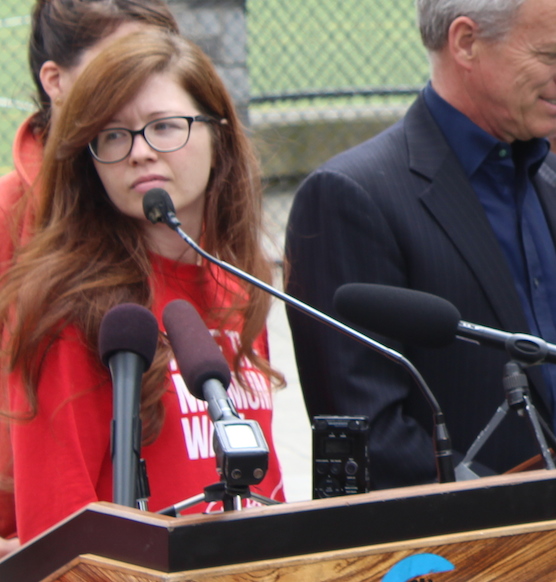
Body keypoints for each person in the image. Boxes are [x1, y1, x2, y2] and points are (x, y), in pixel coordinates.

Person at [0, 28, 286, 547]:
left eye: (164, 127)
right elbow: (58, 538)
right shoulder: (65, 308)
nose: (139, 152)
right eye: (113, 135)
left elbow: (265, 489)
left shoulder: (237, 285)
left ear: (218, 133)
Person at [285, 0, 556, 490]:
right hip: (461, 554)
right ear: (466, 43)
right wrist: (522, 516)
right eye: (550, 55)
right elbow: (371, 434)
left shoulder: (545, 176)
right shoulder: (351, 196)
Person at [0, 0, 179, 553]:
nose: (140, 83)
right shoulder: (11, 216)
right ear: (54, 80)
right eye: (118, 62)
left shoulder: (172, 211)